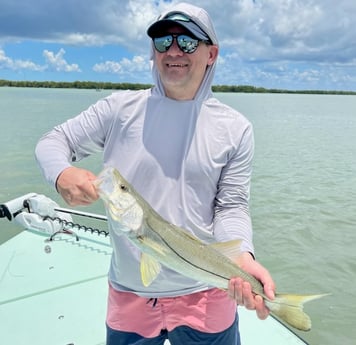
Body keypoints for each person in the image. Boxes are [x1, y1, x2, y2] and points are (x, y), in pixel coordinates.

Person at [35, 2, 275, 344]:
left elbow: (231, 206)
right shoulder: (118, 110)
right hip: (130, 294)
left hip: (207, 291)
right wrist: (61, 173)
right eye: (163, 41)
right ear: (152, 51)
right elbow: (52, 142)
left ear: (212, 54)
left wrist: (241, 258)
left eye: (188, 41)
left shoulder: (235, 128)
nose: (174, 50)